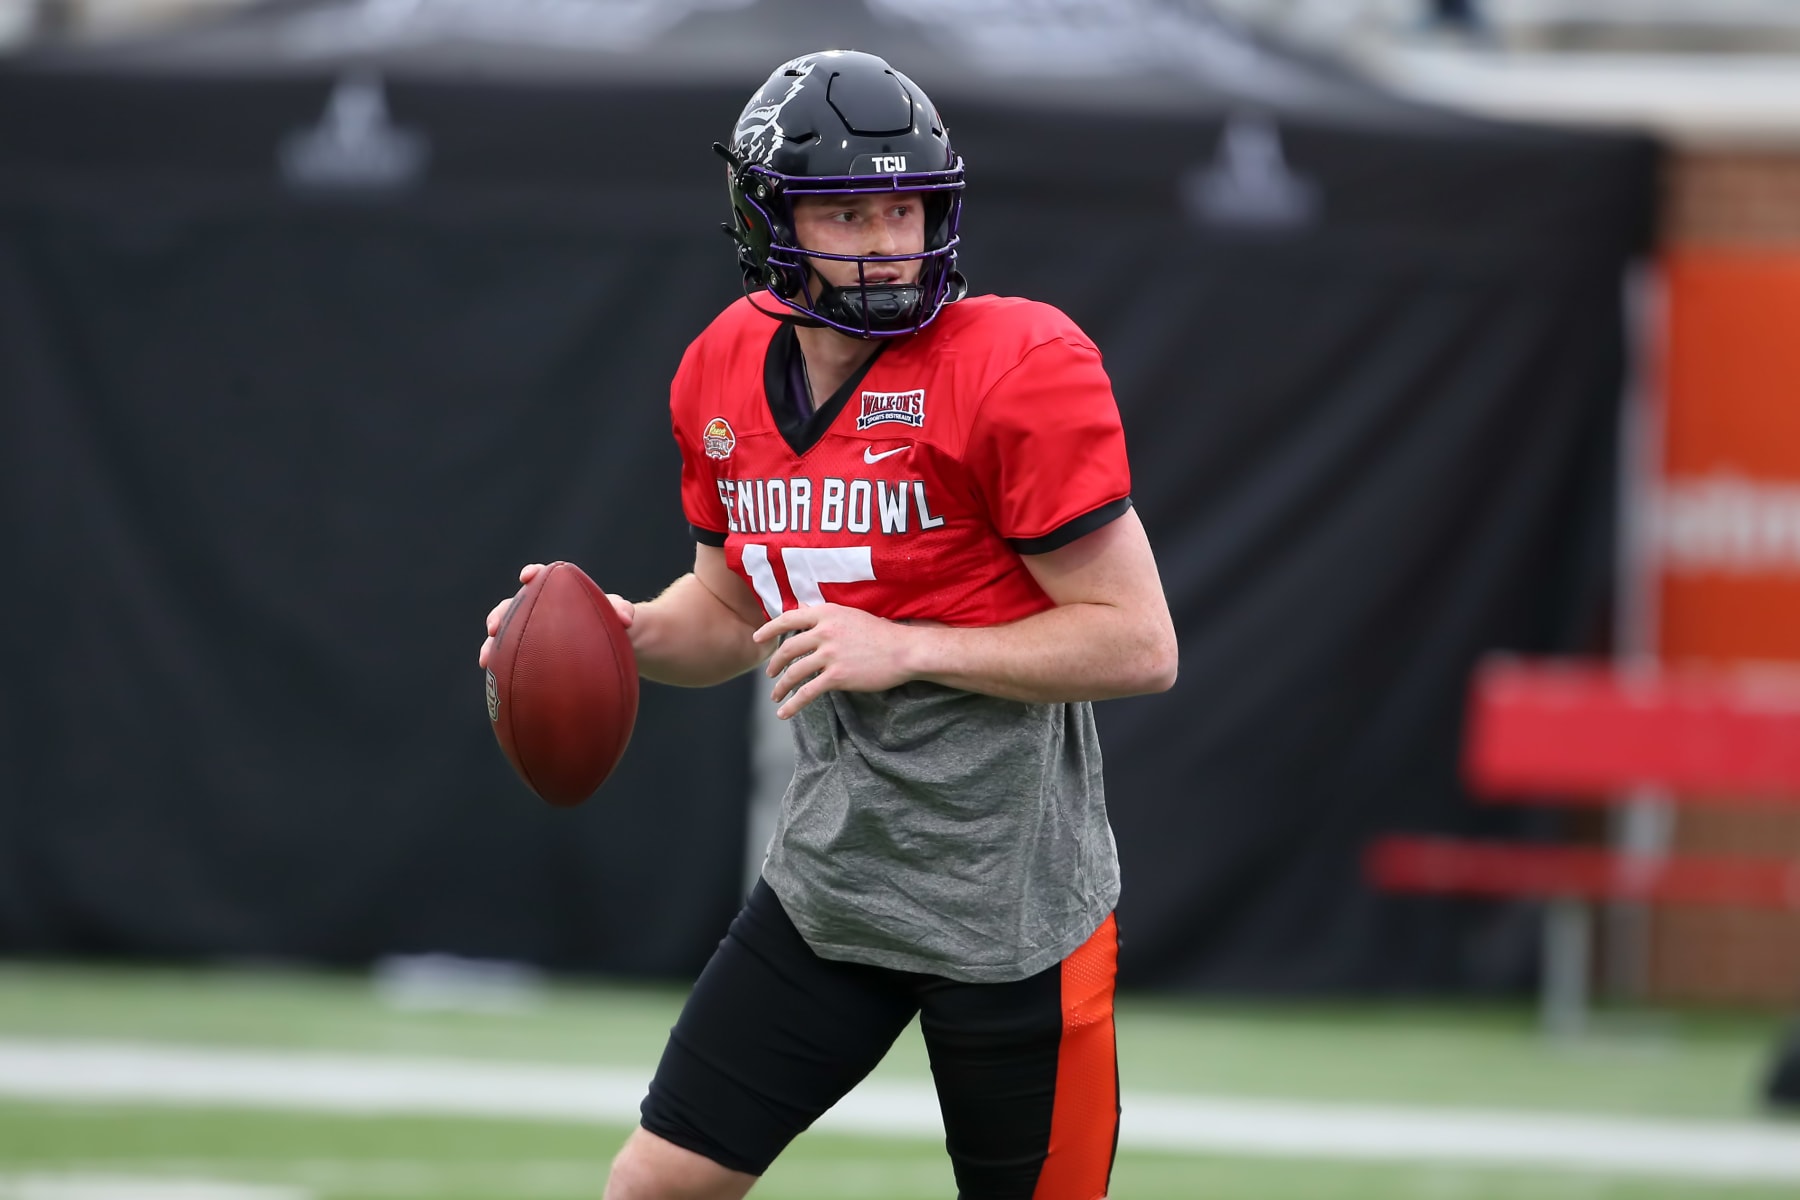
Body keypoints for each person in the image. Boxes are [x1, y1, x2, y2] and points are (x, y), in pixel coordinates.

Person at [479, 49, 1177, 1200]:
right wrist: (618, 631)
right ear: (768, 219)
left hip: (1013, 911)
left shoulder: (1013, 364)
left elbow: (1139, 643)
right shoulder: (721, 374)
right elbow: (724, 612)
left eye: (904, 206)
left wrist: (907, 646)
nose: (888, 240)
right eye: (847, 210)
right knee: (652, 1187)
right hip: (834, 885)